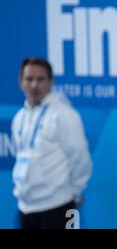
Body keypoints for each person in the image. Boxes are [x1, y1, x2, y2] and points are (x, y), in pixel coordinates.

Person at [11, 58, 92, 229]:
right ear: (20, 83)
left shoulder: (64, 114)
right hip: (25, 206)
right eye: (29, 79)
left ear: (50, 82)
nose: (34, 85)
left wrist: (75, 192)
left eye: (40, 79)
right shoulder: (19, 118)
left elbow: (80, 158)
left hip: (57, 206)